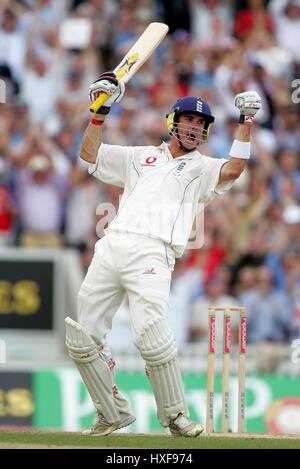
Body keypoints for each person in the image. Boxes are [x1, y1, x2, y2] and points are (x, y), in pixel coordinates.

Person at [65, 71, 261, 437]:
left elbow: (235, 167)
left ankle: (175, 417)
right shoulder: (140, 157)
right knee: (82, 338)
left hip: (153, 254)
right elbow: (89, 154)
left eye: (200, 123)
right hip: (112, 244)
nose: (193, 127)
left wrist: (246, 121)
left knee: (152, 337)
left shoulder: (204, 168)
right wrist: (99, 112)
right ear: (173, 122)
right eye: (188, 119)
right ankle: (110, 412)